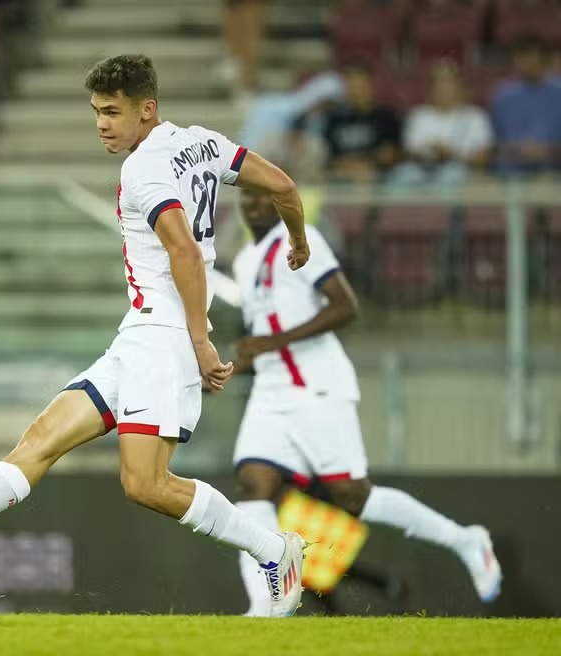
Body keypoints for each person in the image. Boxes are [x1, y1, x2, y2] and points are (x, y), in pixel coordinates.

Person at [0, 54, 313, 617]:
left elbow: (184, 252)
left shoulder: (142, 170)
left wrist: (199, 341)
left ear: (146, 109)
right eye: (96, 111)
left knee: (146, 484)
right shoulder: (203, 142)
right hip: (138, 338)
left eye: (112, 112)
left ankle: (274, 552)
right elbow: (284, 185)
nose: (101, 123)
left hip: (165, 342)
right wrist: (297, 239)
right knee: (42, 437)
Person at [228, 186, 503, 616]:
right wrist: (233, 364)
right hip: (271, 390)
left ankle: (466, 540)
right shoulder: (245, 262)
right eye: (246, 197)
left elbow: (345, 306)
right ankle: (264, 603)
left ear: (285, 204)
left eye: (263, 197)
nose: (251, 204)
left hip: (318, 386)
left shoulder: (303, 242)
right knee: (252, 485)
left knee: (354, 496)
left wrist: (271, 342)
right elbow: (264, 334)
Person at [391, 62, 493, 185]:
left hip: (462, 170)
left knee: (452, 175)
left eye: (449, 83)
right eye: (438, 83)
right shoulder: (419, 115)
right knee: (401, 176)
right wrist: (432, 151)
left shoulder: (474, 116)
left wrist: (452, 154)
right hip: (422, 169)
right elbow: (408, 151)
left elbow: (483, 158)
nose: (444, 88)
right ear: (430, 88)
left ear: (459, 86)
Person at [310, 63, 402, 183]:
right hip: (339, 173)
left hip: (377, 174)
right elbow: (327, 155)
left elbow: (390, 154)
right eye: (350, 86)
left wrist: (364, 163)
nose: (355, 91)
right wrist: (346, 165)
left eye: (359, 85)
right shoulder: (334, 118)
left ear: (369, 85)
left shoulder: (385, 117)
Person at [491, 34, 561, 174]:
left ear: (543, 58)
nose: (523, 62)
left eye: (528, 56)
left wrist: (547, 150)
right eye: (518, 57)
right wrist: (517, 149)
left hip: (554, 172)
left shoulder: (558, 93)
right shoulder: (503, 96)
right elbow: (494, 142)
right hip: (511, 173)